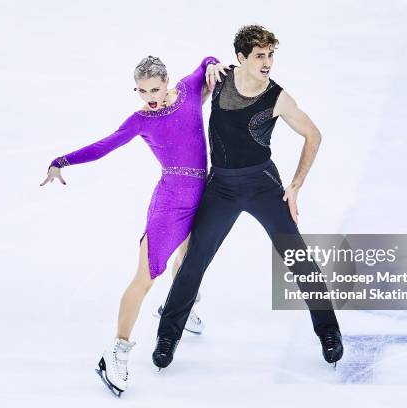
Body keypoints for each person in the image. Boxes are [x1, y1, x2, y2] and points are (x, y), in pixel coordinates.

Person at [152, 25, 344, 370]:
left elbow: (313, 135)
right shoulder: (220, 78)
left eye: (271, 54)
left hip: (262, 185)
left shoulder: (278, 97)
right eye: (260, 55)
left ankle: (329, 332)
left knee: (298, 257)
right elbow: (186, 103)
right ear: (241, 58)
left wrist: (297, 184)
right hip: (221, 187)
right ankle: (168, 337)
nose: (267, 62)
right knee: (194, 260)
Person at [40, 55, 228, 395]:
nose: (149, 98)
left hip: (205, 191)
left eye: (154, 89)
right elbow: (104, 146)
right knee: (146, 275)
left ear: (167, 80)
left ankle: (178, 306)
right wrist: (61, 160)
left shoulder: (187, 91)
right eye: (141, 91)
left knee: (189, 260)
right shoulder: (141, 120)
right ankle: (115, 351)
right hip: (171, 202)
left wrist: (213, 63)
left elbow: (206, 63)